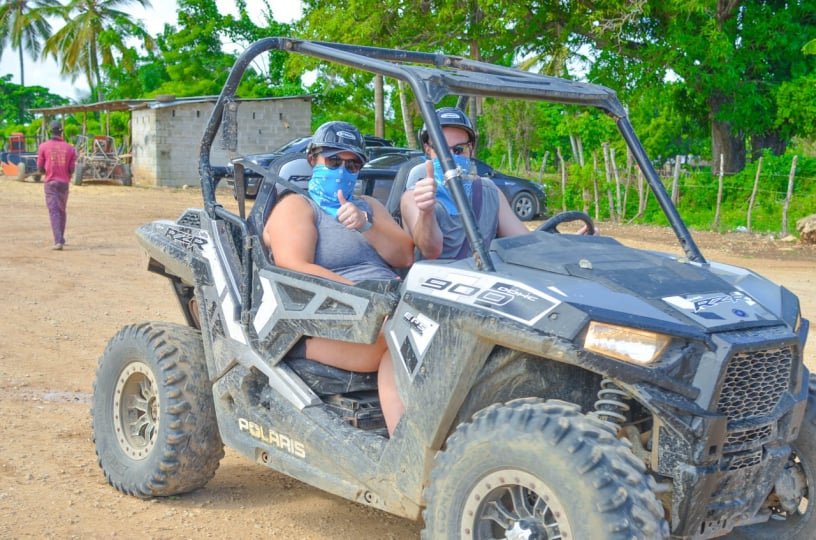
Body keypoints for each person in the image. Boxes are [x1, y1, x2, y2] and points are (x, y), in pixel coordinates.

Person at [262, 121, 413, 435]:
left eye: (352, 164)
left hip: (388, 308)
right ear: (313, 159)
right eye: (333, 161)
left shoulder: (368, 206)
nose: (342, 170)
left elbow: (405, 256)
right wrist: (368, 301)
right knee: (401, 341)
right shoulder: (297, 206)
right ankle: (407, 449)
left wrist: (366, 225)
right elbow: (293, 266)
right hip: (325, 321)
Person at [400, 107, 531, 260]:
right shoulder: (413, 198)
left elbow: (524, 244)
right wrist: (426, 212)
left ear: (471, 149)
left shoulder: (489, 191)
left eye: (458, 150)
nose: (450, 158)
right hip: (433, 281)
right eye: (441, 149)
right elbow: (431, 250)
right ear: (428, 149)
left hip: (483, 280)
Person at [37, 120, 77, 251]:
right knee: (61, 210)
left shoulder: (43, 146)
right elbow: (72, 169)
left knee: (53, 211)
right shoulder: (70, 148)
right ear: (61, 132)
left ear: (50, 131)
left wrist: (47, 172)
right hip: (64, 183)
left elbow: (40, 168)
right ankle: (61, 238)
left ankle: (58, 241)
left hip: (50, 183)